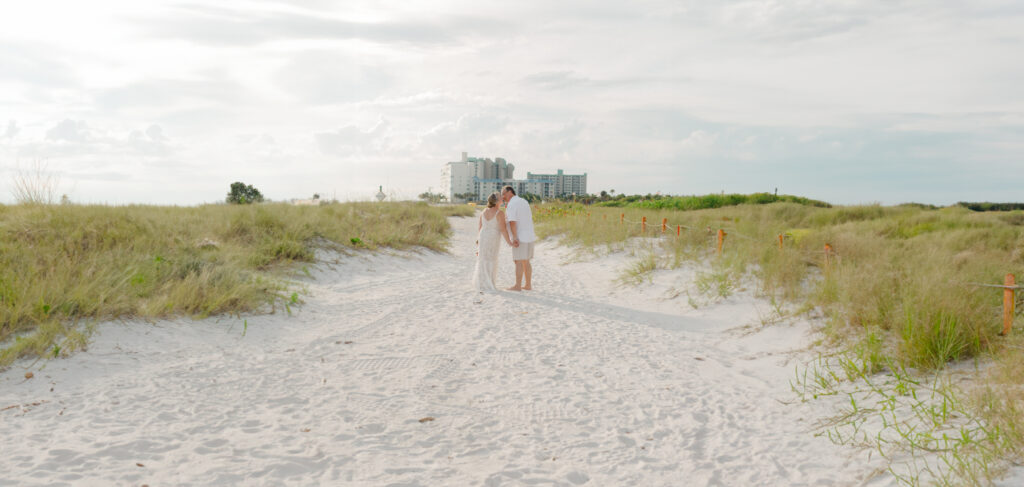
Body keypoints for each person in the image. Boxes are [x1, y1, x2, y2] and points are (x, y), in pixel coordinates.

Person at [472, 192, 513, 293]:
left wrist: (478, 244)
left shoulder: (483, 212)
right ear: (497, 201)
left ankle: (481, 282)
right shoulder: (500, 213)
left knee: (483, 258)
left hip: (483, 237)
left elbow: (480, 228)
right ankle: (489, 282)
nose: (502, 198)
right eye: (500, 198)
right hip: (493, 238)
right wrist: (510, 243)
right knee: (491, 259)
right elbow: (503, 230)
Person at [501, 186, 536, 291]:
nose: (503, 197)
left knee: (518, 261)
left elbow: (512, 222)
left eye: (503, 194)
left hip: (520, 236)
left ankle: (517, 285)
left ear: (510, 192)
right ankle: (528, 285)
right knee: (526, 261)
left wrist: (515, 237)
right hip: (530, 235)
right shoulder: (524, 201)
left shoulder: (512, 204)